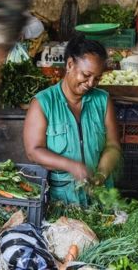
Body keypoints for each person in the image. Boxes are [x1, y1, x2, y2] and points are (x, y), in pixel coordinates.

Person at [23, 36, 121, 206]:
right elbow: (34, 151)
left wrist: (101, 175)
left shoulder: (103, 100)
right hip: (62, 199)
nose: (91, 83)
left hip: (100, 199)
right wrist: (71, 166)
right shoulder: (43, 103)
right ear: (69, 65)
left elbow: (113, 146)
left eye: (97, 78)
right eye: (86, 75)